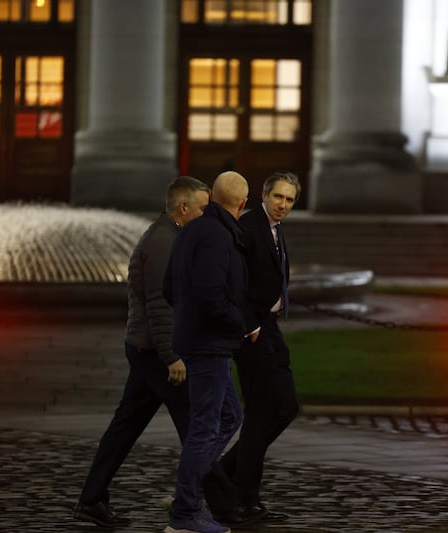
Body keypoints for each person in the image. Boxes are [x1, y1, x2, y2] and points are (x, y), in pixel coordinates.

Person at [73, 176, 211, 528]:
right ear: (183, 209)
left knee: (125, 427)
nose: (205, 215)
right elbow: (159, 306)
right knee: (196, 425)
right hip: (156, 353)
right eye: (202, 209)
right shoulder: (163, 242)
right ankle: (203, 504)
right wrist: (172, 356)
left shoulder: (170, 237)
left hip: (148, 349)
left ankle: (91, 499)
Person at [203, 171, 302, 527]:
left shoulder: (273, 228)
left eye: (289, 200)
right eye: (278, 197)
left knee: (285, 407)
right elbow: (232, 282)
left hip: (269, 327)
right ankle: (245, 499)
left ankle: (223, 476)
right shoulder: (249, 227)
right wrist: (251, 326)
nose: (283, 205)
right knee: (262, 415)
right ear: (263, 194)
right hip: (254, 331)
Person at [163, 171, 251, 533]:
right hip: (209, 343)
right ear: (243, 204)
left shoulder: (194, 230)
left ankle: (188, 490)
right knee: (206, 427)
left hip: (201, 340)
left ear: (213, 197)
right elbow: (212, 296)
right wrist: (241, 322)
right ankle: (184, 513)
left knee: (230, 416)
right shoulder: (217, 235)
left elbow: (171, 288)